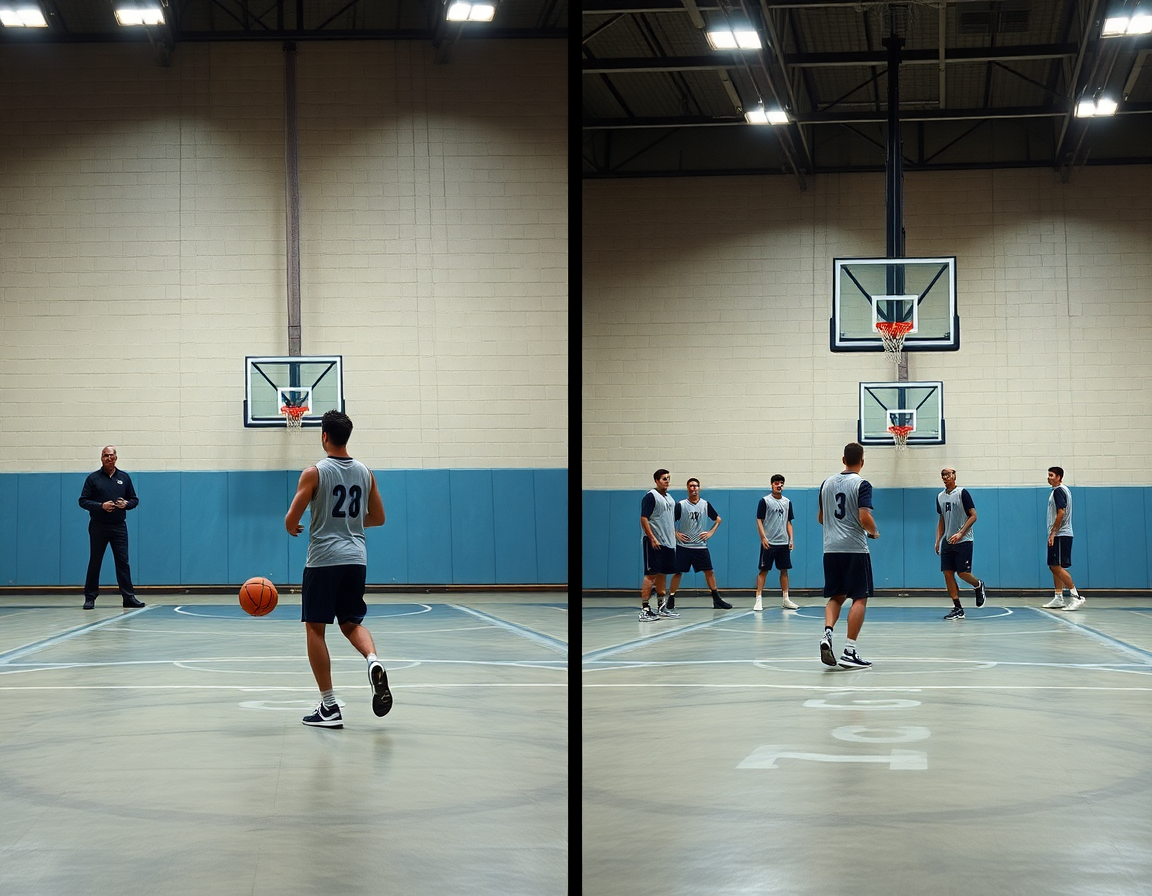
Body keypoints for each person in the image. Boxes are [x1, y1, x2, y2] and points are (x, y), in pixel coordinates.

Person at [285, 410, 393, 728]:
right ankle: (373, 660)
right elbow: (378, 517)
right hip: (356, 559)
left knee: (315, 629)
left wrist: (294, 527)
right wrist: (351, 523)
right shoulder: (365, 472)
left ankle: (329, 707)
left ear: (324, 436)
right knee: (350, 622)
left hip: (323, 560)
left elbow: (292, 518)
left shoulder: (314, 472)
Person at [817, 442, 878, 669]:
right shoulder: (862, 484)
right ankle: (849, 651)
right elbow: (865, 518)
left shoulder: (826, 484)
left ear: (843, 459)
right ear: (862, 461)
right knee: (859, 597)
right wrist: (874, 532)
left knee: (836, 596)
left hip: (830, 549)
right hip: (854, 548)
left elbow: (821, 518)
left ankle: (827, 634)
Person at [78, 446, 145, 610]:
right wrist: (101, 506)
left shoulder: (124, 478)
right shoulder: (93, 479)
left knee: (123, 562)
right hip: (98, 526)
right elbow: (83, 501)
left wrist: (126, 504)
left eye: (111, 455)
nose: (108, 458)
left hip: (119, 527)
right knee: (95, 561)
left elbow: (134, 500)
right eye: (105, 455)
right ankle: (90, 597)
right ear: (101, 458)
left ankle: (128, 597)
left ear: (116, 458)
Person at [667, 478, 731, 610]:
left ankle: (716, 599)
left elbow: (718, 519)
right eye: (691, 486)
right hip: (684, 546)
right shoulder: (681, 505)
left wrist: (710, 532)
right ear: (687, 488)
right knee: (678, 572)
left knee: (709, 572)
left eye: (696, 486)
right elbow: (668, 521)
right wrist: (676, 533)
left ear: (699, 488)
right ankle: (671, 598)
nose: (693, 488)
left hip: (700, 546)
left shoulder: (705, 504)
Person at [935, 468, 989, 620]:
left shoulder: (962, 493)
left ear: (954, 476)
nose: (946, 477)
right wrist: (938, 539)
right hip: (948, 541)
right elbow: (941, 520)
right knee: (947, 573)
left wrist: (960, 533)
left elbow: (973, 516)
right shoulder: (939, 496)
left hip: (963, 540)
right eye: (943, 475)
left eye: (948, 474)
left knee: (963, 573)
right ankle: (957, 607)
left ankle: (978, 585)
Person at [639, 469, 679, 621]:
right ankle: (645, 609)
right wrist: (652, 538)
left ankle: (661, 607)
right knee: (651, 575)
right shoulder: (651, 496)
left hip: (668, 543)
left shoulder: (669, 498)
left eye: (668, 478)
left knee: (663, 574)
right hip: (654, 542)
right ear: (656, 480)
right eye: (664, 479)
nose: (667, 481)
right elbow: (644, 519)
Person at [754, 474, 798, 611]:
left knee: (784, 571)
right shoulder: (765, 501)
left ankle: (786, 599)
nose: (779, 485)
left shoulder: (787, 502)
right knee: (764, 570)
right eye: (776, 483)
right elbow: (759, 520)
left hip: (783, 542)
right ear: (772, 484)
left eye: (781, 483)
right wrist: (762, 537)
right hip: (769, 542)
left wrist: (791, 539)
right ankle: (758, 599)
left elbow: (788, 522)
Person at [1042, 466, 1083, 611]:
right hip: (1059, 533)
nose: (1049, 477)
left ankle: (1076, 596)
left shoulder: (1059, 491)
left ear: (1059, 477)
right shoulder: (1062, 490)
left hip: (1061, 534)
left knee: (1056, 566)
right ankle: (1058, 597)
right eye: (1048, 475)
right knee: (1053, 565)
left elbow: (1061, 512)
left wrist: (1053, 532)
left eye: (1052, 475)